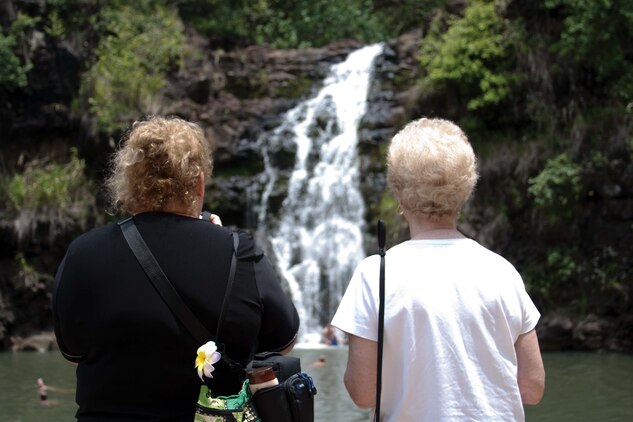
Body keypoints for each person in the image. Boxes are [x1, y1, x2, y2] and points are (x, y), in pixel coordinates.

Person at [53, 116, 300, 421]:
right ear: (198, 183)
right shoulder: (238, 252)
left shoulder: (82, 253)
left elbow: (72, 351)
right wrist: (224, 246)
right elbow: (284, 339)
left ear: (129, 182)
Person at [331, 117, 545, 421]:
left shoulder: (375, 273)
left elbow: (362, 393)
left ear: (399, 193)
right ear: (465, 190)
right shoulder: (503, 271)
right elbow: (532, 388)